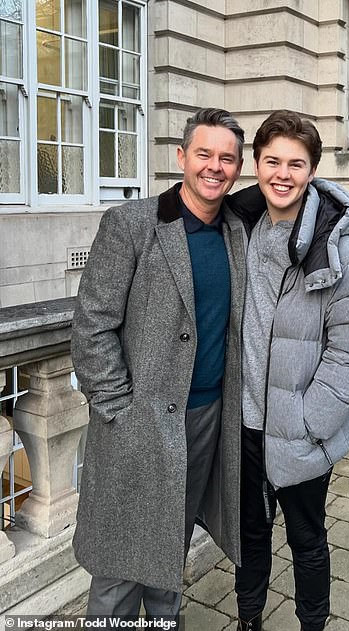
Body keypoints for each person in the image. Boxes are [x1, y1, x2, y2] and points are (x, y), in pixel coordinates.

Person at [71, 108, 246, 623]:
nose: (215, 167)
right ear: (181, 157)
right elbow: (92, 325)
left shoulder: (236, 228)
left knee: (173, 543)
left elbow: (298, 191)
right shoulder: (131, 224)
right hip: (139, 421)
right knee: (120, 563)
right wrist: (118, 410)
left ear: (239, 169)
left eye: (228, 158)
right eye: (204, 154)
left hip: (207, 418)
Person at [233, 110, 349, 631]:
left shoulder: (340, 251)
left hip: (299, 430)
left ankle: (312, 624)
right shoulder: (238, 230)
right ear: (255, 164)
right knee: (250, 535)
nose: (282, 173)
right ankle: (248, 620)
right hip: (245, 425)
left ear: (313, 170)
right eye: (272, 160)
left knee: (306, 537)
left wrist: (309, 420)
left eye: (296, 163)